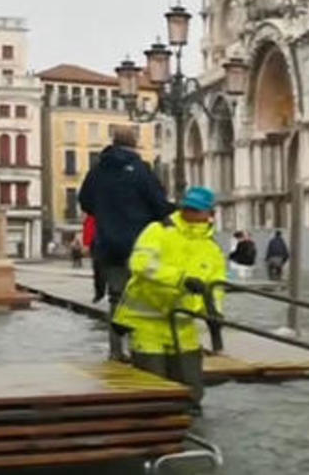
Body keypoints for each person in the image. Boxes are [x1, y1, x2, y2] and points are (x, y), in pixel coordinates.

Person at [112, 186, 226, 415]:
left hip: (183, 324)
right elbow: (140, 263)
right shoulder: (158, 231)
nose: (191, 213)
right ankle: (153, 430)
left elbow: (215, 286)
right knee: (152, 388)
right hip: (147, 322)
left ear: (208, 213)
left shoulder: (211, 248)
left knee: (191, 389)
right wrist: (180, 279)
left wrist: (214, 313)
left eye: (197, 210)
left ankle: (190, 428)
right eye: (188, 208)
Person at [78, 127, 174, 359]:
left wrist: (105, 213)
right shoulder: (141, 170)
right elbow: (158, 203)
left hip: (108, 244)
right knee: (140, 296)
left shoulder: (98, 170)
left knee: (116, 297)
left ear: (113, 142)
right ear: (135, 143)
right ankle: (139, 347)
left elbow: (85, 201)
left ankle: (115, 350)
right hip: (139, 244)